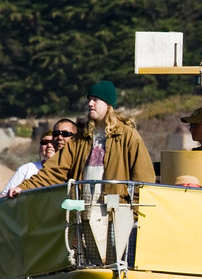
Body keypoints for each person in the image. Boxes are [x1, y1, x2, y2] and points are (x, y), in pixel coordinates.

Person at [9, 80, 156, 200]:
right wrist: (24, 187)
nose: (90, 104)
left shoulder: (127, 136)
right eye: (89, 100)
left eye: (95, 100)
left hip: (116, 211)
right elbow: (54, 171)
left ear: (108, 105)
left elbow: (144, 180)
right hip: (82, 210)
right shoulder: (81, 137)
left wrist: (135, 213)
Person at [0, 131, 55, 205]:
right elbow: (6, 196)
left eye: (53, 142)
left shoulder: (68, 170)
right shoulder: (26, 169)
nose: (49, 145)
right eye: (44, 142)